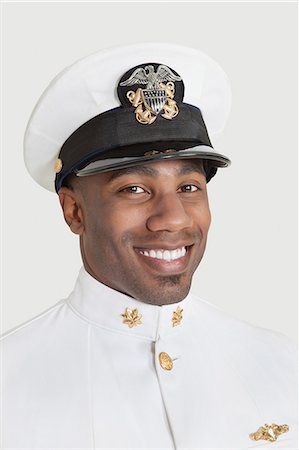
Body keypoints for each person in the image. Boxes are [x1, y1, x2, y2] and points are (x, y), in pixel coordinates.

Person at [1, 43, 297, 449]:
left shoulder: (282, 362)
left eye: (189, 186)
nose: (173, 217)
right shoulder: (9, 382)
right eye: (135, 188)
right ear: (74, 211)